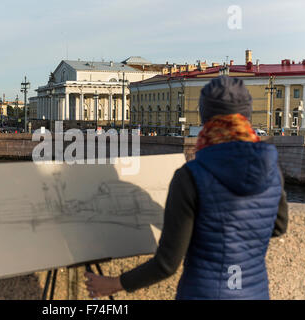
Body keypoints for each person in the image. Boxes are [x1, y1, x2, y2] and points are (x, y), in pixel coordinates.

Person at [85, 76, 288, 300]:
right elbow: (278, 226)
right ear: (247, 116)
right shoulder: (272, 168)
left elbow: (166, 264)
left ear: (205, 117)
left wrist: (114, 283)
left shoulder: (191, 176)